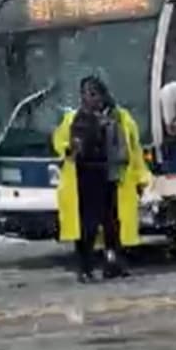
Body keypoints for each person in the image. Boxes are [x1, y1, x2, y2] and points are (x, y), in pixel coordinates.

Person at [52, 75, 151, 281]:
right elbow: (61, 143)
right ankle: (85, 268)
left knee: (112, 225)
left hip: (112, 178)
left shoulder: (120, 118)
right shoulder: (75, 118)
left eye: (93, 93)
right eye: (85, 94)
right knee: (87, 227)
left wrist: (141, 177)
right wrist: (70, 148)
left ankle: (113, 262)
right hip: (85, 179)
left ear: (103, 94)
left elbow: (133, 150)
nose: (89, 98)